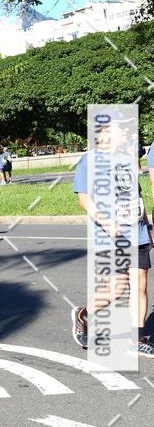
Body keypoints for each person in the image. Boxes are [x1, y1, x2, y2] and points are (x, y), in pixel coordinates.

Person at [73, 120, 153, 357]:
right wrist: (107, 223)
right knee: (117, 287)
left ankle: (135, 339)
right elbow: (84, 198)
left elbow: (137, 197)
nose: (126, 133)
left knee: (140, 281)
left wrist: (148, 226)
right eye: (122, 129)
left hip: (136, 231)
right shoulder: (90, 160)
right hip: (111, 234)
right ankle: (83, 315)